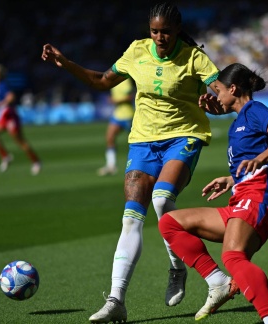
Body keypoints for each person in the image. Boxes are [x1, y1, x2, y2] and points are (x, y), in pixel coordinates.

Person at [41, 3, 221, 323]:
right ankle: (116, 301)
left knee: (162, 199)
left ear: (178, 29)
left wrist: (217, 103)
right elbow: (101, 81)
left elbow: (223, 93)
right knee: (130, 219)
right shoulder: (137, 51)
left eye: (165, 31)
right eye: (154, 30)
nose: (160, 37)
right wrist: (66, 63)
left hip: (184, 137)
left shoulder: (195, 58)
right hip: (142, 141)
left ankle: (179, 267)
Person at [159, 63, 268, 323]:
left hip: (264, 192)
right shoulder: (238, 122)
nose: (216, 96)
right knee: (170, 223)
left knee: (232, 256)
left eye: (219, 90)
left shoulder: (254, 110)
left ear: (233, 89)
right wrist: (232, 180)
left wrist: (259, 160)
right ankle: (218, 282)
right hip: (245, 193)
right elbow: (249, 163)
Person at [0, 64, 41, 175]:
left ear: (0, 75)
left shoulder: (3, 85)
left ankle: (36, 161)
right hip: (4, 117)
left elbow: (11, 97)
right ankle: (6, 157)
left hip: (11, 117)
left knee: (20, 142)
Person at [97, 78, 135, 176]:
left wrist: (115, 100)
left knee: (136, 142)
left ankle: (140, 165)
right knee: (109, 137)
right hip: (117, 115)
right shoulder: (114, 82)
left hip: (128, 115)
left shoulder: (126, 82)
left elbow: (130, 97)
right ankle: (111, 166)